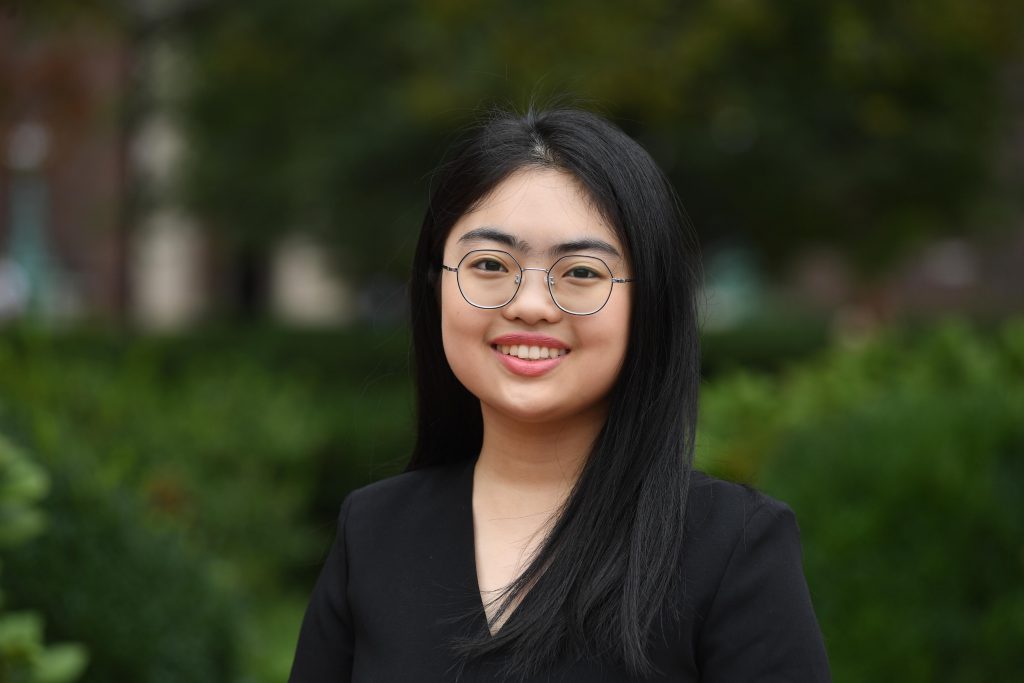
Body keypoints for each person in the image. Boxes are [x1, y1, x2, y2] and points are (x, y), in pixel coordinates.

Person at [289, 107, 831, 682]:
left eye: (581, 272)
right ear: (436, 284)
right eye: (490, 263)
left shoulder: (731, 546)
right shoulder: (374, 532)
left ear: (649, 302)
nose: (530, 305)